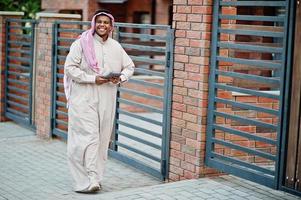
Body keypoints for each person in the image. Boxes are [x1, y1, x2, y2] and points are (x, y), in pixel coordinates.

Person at [63, 9, 134, 193]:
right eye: (99, 22)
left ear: (111, 26)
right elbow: (70, 68)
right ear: (94, 23)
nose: (102, 25)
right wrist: (92, 78)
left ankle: (96, 178)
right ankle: (86, 180)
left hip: (107, 98)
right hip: (83, 97)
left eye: (106, 22)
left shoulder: (116, 46)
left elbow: (129, 66)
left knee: (102, 140)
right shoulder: (81, 43)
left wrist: (121, 78)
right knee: (88, 138)